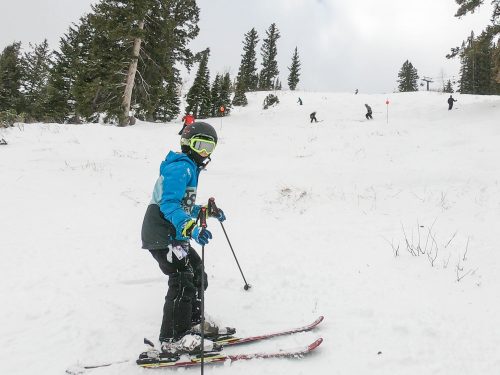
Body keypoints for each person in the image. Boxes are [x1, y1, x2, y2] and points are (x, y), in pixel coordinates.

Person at [141, 122, 233, 355]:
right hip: (162, 232)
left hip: (174, 234)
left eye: (209, 148)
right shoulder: (181, 167)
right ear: (187, 143)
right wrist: (190, 227)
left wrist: (205, 212)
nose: (204, 153)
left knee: (196, 270)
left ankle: (193, 322)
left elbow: (184, 206)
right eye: (200, 145)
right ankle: (173, 338)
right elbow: (169, 204)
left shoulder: (190, 168)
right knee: (182, 277)